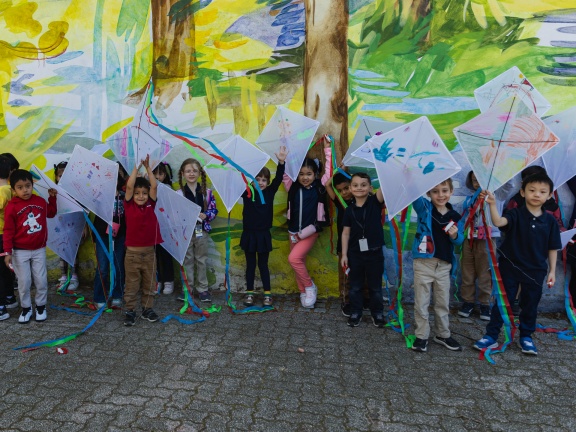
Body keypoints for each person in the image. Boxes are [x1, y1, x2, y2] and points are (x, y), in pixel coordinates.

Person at [474, 173, 561, 355]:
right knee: (502, 302)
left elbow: (553, 247)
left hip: (536, 271)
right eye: (532, 190)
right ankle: (491, 335)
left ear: (549, 195)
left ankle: (526, 337)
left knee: (530, 304)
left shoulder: (551, 221)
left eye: (542, 191)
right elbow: (498, 222)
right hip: (510, 267)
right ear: (522, 192)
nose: (536, 194)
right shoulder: (514, 214)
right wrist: (491, 204)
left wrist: (552, 271)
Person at [411, 178, 464, 352]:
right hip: (423, 264)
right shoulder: (424, 208)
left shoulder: (455, 216)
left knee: (442, 303)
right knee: (421, 302)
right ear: (428, 193)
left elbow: (459, 241)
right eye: (435, 191)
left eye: (444, 190)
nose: (440, 195)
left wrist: (455, 235)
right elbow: (414, 195)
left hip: (443, 266)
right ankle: (421, 336)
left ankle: (442, 334)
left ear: (451, 192)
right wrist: (410, 175)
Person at [3, 169, 57, 323]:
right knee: (24, 282)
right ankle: (26, 308)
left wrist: (52, 198)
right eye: (20, 187)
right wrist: (7, 252)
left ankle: (41, 306)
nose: (25, 190)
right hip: (20, 252)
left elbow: (51, 213)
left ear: (32, 185)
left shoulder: (39, 201)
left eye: (27, 185)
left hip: (39, 250)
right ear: (13, 190)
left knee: (41, 280)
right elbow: (8, 231)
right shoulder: (12, 207)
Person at [241, 146, 288, 307]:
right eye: (257, 179)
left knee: (263, 265)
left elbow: (279, 178)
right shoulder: (247, 193)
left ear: (267, 182)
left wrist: (281, 162)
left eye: (263, 180)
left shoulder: (269, 192)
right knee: (250, 265)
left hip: (263, 235)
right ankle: (249, 293)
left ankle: (267, 294)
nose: (260, 182)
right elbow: (237, 178)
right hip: (249, 234)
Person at [340, 173, 386, 327]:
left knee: (375, 287)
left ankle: (377, 313)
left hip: (374, 253)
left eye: (363, 185)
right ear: (351, 188)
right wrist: (344, 255)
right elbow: (345, 233)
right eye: (356, 185)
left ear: (370, 188)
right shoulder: (348, 210)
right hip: (355, 254)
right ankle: (355, 312)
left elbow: (385, 186)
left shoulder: (375, 202)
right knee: (355, 286)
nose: (359, 188)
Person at [122, 155, 163, 326]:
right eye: (137, 193)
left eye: (144, 193)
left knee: (149, 284)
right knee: (131, 285)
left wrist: (147, 168)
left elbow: (153, 185)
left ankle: (147, 309)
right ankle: (130, 311)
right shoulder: (129, 205)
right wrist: (135, 168)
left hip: (149, 254)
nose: (140, 196)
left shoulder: (150, 205)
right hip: (132, 255)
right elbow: (130, 185)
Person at [283, 157, 328, 308]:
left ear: (315, 174)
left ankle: (309, 286)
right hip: (293, 231)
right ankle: (302, 291)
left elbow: (328, 173)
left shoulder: (320, 187)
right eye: (301, 174)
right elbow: (286, 174)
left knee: (294, 259)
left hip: (310, 231)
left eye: (309, 174)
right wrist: (286, 142)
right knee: (298, 262)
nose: (305, 177)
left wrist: (328, 151)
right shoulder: (293, 187)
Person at [458, 171, 499, 321]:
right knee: (467, 271)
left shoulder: (496, 197)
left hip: (487, 239)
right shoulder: (469, 199)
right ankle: (467, 302)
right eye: (475, 181)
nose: (478, 183)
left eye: (481, 180)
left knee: (485, 273)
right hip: (469, 238)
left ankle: (484, 303)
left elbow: (509, 185)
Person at [176, 158, 218, 303]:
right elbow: (175, 214)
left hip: (201, 231)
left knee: (201, 259)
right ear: (183, 173)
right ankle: (187, 288)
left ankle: (203, 289)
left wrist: (206, 215)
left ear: (200, 173)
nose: (191, 173)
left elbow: (214, 210)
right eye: (188, 171)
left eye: (194, 170)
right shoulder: (179, 194)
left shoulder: (207, 193)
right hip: (185, 232)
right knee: (187, 260)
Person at [92, 163, 127, 309]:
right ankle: (99, 296)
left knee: (118, 265)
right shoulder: (99, 196)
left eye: (115, 179)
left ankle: (118, 295)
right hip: (102, 236)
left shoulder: (125, 197)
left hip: (120, 237)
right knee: (103, 267)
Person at [53, 161, 83, 291]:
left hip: (74, 226)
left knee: (73, 252)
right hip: (60, 226)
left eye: (65, 175)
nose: (62, 178)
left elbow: (82, 210)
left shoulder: (75, 191)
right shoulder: (54, 191)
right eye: (60, 176)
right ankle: (64, 276)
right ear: (56, 177)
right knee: (62, 251)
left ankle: (74, 276)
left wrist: (85, 226)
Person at [152, 162, 175, 295]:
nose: (157, 177)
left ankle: (169, 281)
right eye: (154, 174)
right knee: (153, 255)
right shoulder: (148, 188)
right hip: (152, 227)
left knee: (166, 255)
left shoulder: (168, 189)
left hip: (165, 228)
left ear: (165, 175)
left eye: (160, 174)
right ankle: (157, 280)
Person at [0, 156, 17, 320]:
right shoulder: (8, 190)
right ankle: (10, 298)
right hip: (4, 235)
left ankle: (1, 308)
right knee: (4, 270)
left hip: (0, 235)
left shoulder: (3, 190)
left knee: (1, 271)